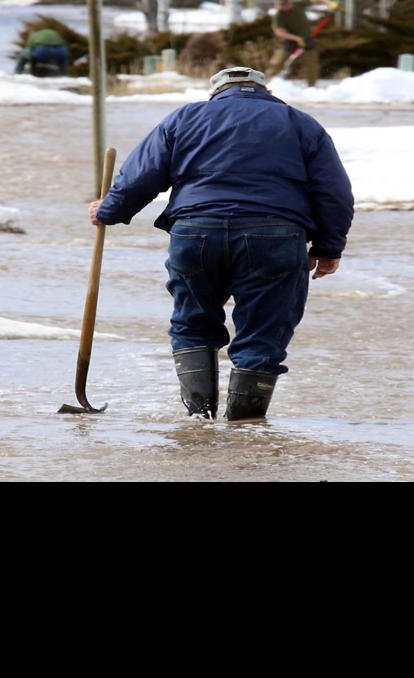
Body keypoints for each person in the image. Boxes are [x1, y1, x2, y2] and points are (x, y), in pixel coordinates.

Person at [87, 66, 353, 422]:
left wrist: (110, 210)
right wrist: (328, 248)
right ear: (266, 91)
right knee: (264, 331)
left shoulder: (185, 118)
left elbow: (141, 175)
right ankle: (245, 429)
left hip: (196, 232)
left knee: (193, 322)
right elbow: (334, 192)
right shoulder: (300, 123)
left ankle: (199, 421)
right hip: (274, 235)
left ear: (215, 92)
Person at [267, 0, 318, 88]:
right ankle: (266, 83)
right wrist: (296, 38)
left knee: (311, 65)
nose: (283, 7)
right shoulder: (279, 15)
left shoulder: (299, 4)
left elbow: (315, 1)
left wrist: (329, 3)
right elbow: (279, 32)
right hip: (290, 41)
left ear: (289, 2)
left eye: (285, 4)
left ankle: (311, 87)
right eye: (281, 5)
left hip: (307, 40)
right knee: (276, 63)